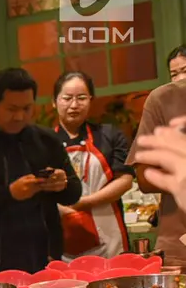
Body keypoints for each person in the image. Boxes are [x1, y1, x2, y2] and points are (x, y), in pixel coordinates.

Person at [0, 68, 82, 275]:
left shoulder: (46, 141)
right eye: (11, 109)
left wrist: (62, 184)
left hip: (46, 260)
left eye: (27, 108)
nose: (19, 116)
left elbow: (74, 192)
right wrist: (9, 194)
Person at [50, 71, 133, 258]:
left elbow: (125, 180)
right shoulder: (44, 142)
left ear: (90, 100)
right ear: (54, 102)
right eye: (67, 98)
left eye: (81, 98)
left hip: (110, 237)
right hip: (63, 238)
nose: (74, 105)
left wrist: (83, 203)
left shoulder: (110, 135)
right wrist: (64, 208)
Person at [131, 47, 186, 267]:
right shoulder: (161, 101)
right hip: (179, 243)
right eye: (175, 74)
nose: (181, 79)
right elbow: (144, 178)